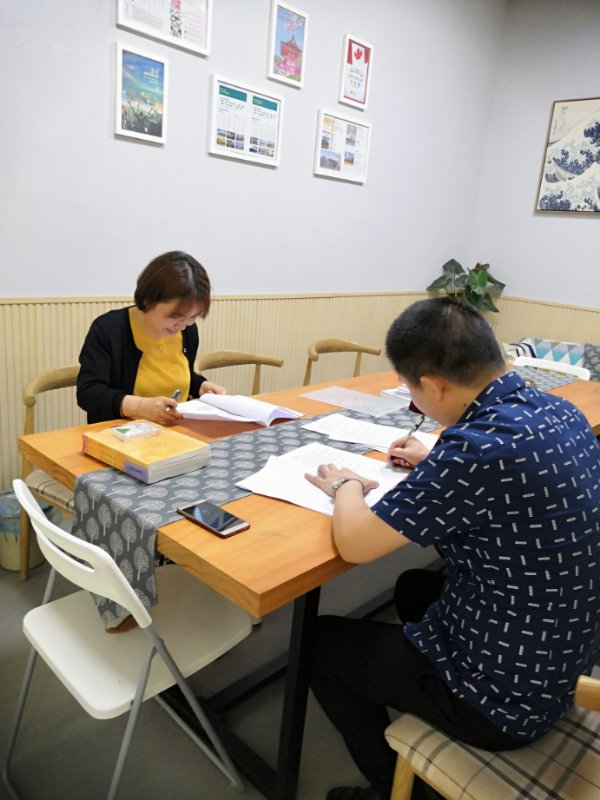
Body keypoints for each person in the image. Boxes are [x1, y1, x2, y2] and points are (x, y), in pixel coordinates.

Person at [305, 297, 600, 800]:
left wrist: (345, 485)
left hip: (509, 702)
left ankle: (391, 788)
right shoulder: (558, 411)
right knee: (413, 586)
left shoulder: (474, 451)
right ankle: (420, 686)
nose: (416, 405)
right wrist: (434, 461)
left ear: (434, 384)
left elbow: (354, 543)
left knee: (319, 644)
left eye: (412, 393)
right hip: (565, 658)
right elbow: (510, 480)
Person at [77, 251, 224, 424]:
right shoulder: (109, 329)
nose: (184, 326)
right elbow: (89, 392)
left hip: (175, 429)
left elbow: (172, 376)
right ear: (148, 300)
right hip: (122, 433)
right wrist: (139, 407)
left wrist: (200, 386)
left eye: (193, 317)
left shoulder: (188, 331)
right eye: (176, 317)